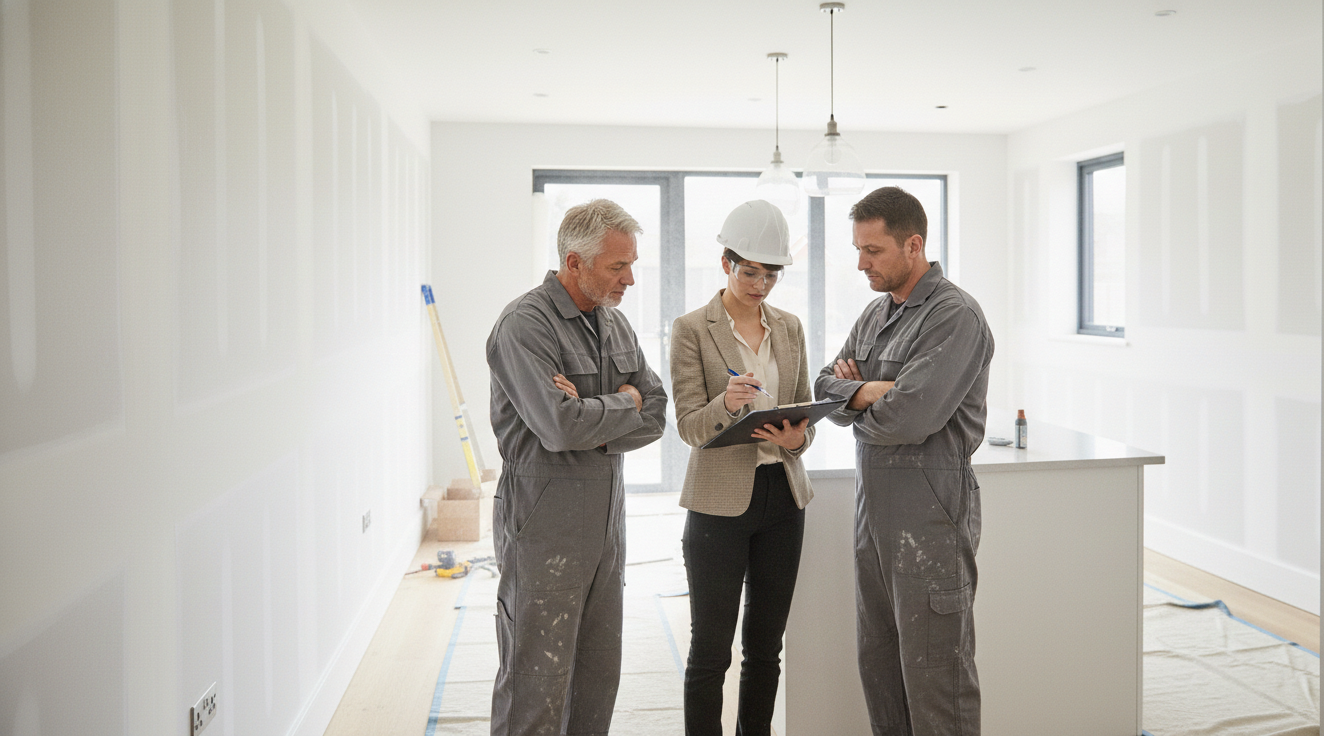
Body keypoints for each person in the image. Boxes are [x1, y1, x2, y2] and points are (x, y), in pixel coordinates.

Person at [813, 187, 993, 736]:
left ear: (913, 245)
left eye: (874, 251)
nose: (861, 263)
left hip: (931, 517)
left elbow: (907, 420)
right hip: (876, 516)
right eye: (858, 250)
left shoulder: (953, 316)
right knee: (881, 668)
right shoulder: (875, 313)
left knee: (937, 676)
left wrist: (859, 396)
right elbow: (823, 388)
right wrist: (873, 391)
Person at [486, 199, 669, 736]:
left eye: (632, 264)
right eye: (618, 266)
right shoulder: (524, 326)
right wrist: (623, 401)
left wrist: (602, 409)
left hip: (607, 520)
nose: (631, 278)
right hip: (543, 521)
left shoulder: (614, 323)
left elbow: (656, 414)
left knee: (596, 673)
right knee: (535, 678)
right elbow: (558, 428)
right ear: (574, 262)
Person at [669, 200, 816, 736]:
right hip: (717, 502)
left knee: (765, 647)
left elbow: (804, 409)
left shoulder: (790, 328)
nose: (760, 285)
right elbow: (687, 425)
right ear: (726, 263)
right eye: (750, 272)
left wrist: (799, 438)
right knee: (711, 647)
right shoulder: (691, 329)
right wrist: (727, 405)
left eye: (770, 274)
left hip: (783, 497)